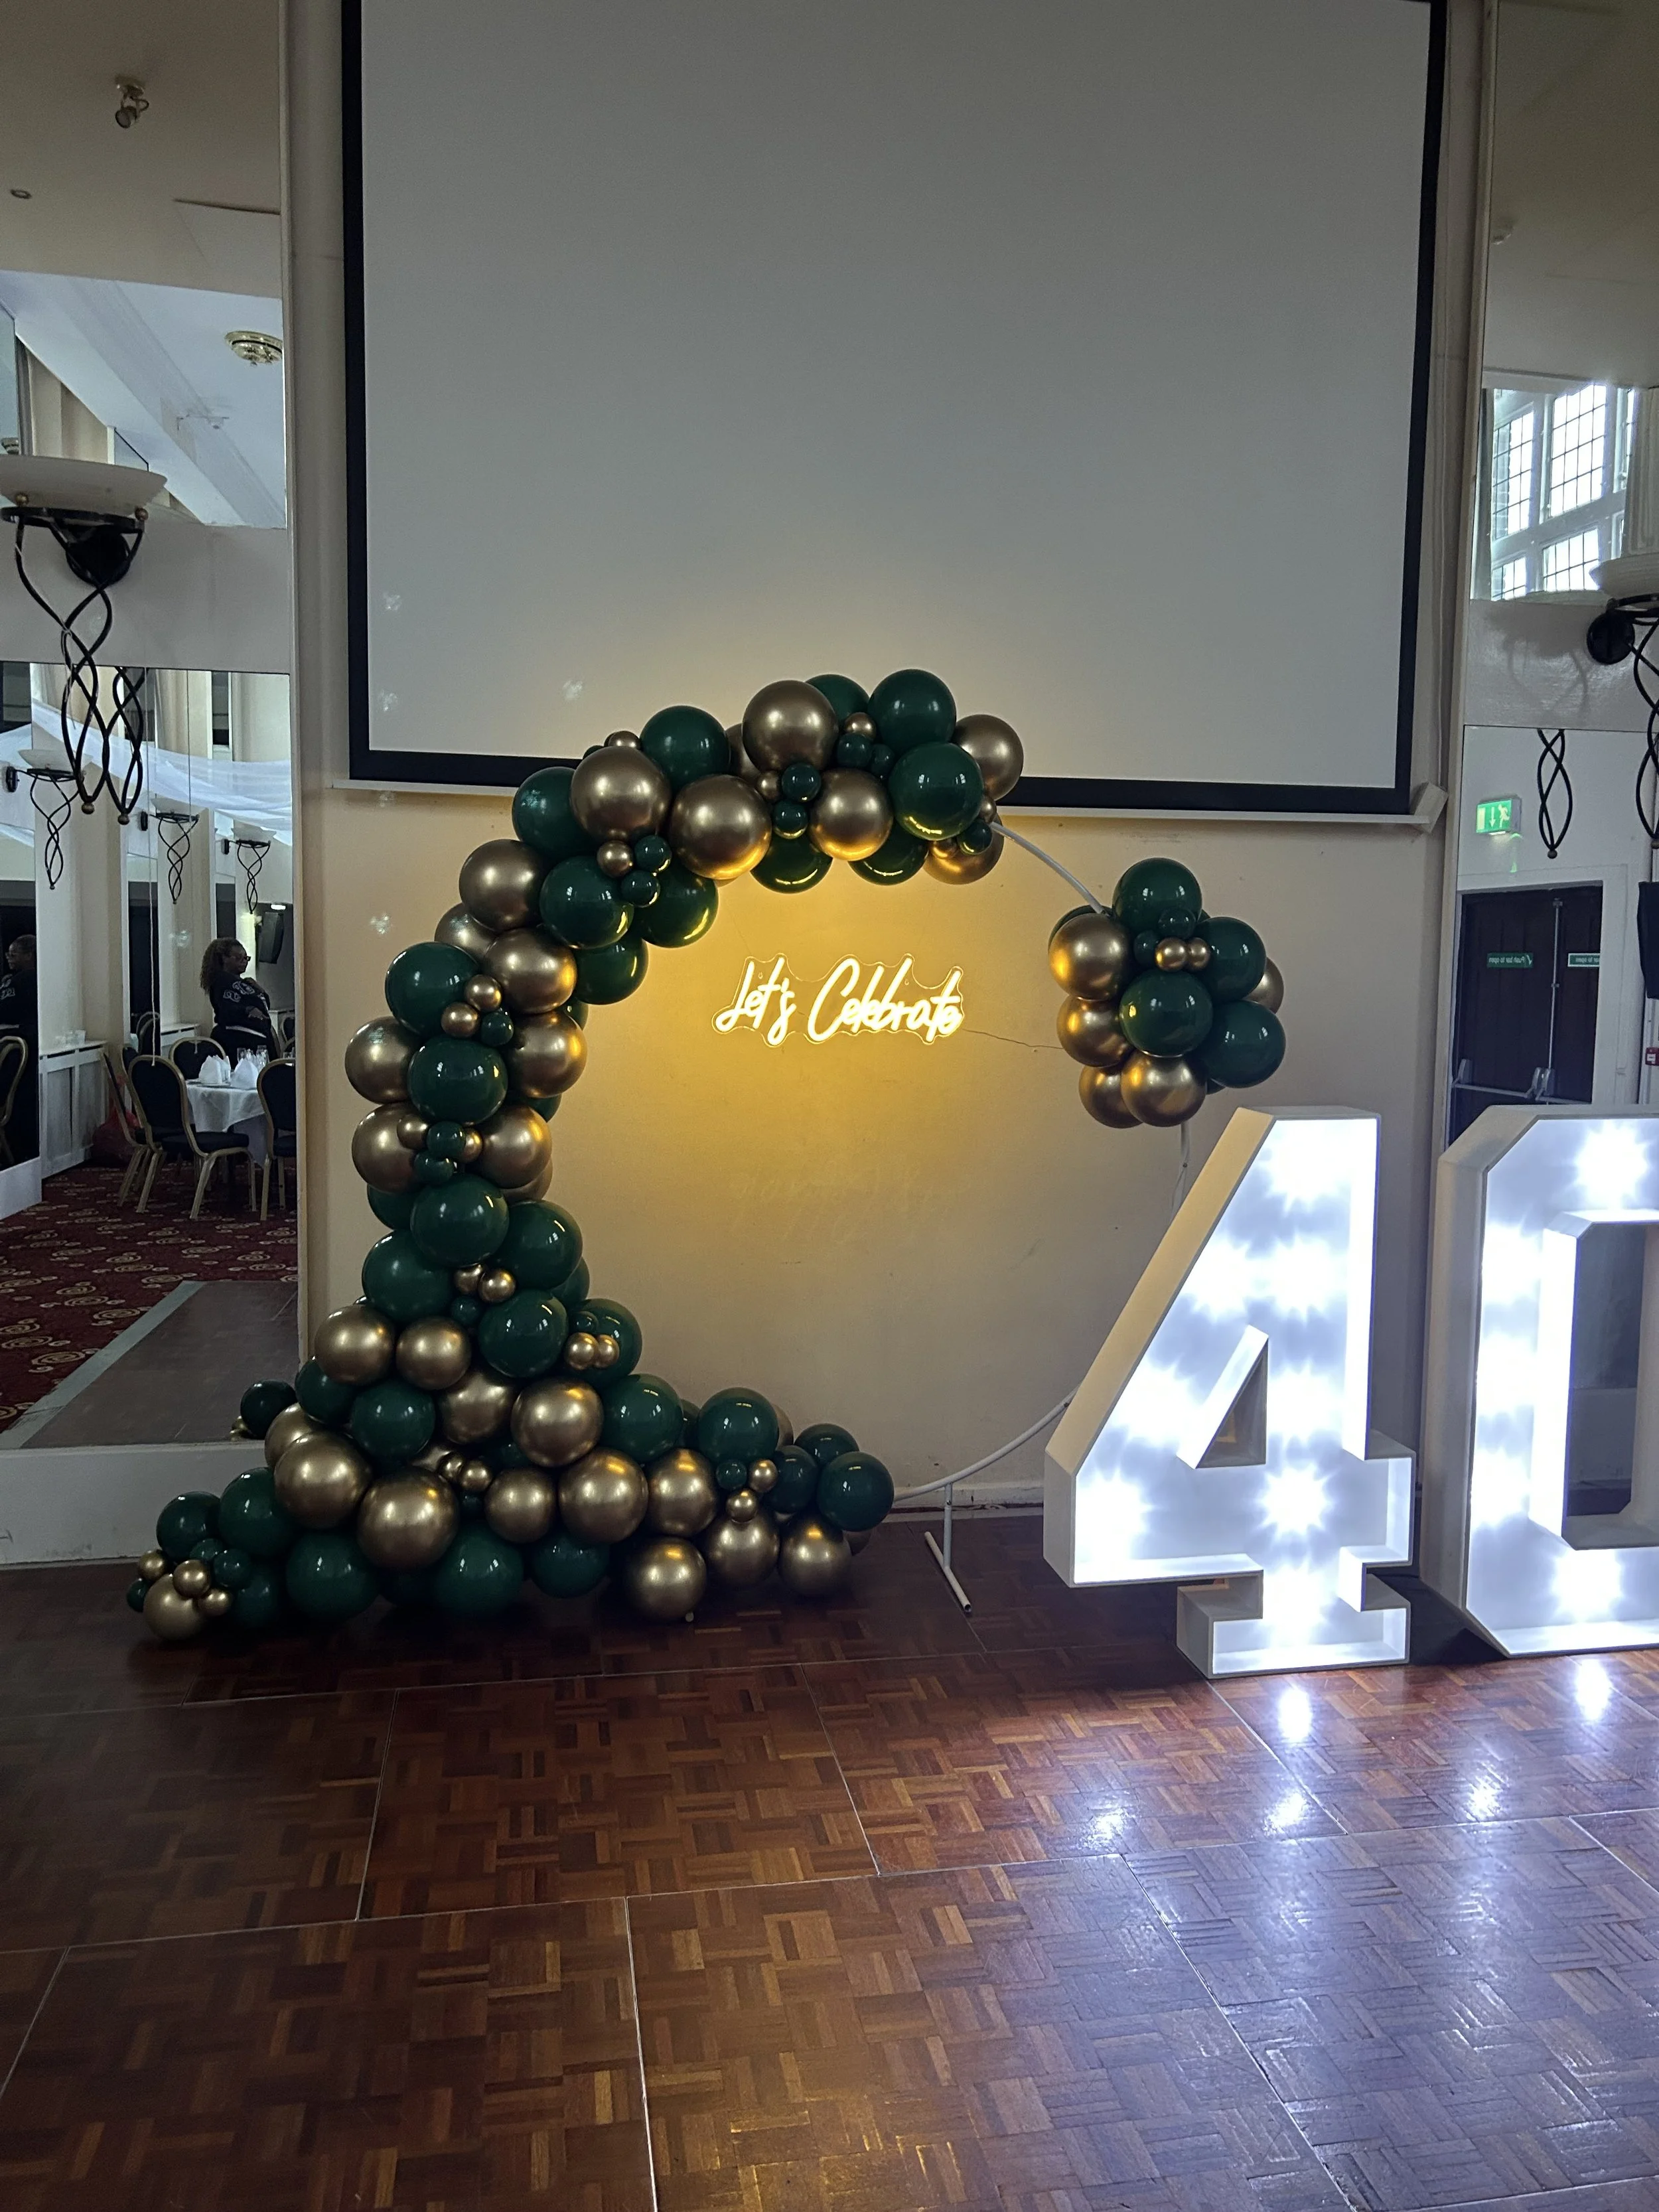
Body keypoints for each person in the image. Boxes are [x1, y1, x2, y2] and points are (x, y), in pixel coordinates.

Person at [200, 937, 279, 1059]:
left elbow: (264, 1006)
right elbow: (227, 1008)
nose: (244, 961)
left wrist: (260, 990)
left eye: (246, 958)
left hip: (260, 1038)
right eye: (238, 958)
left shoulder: (245, 982)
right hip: (239, 1041)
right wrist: (248, 1009)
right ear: (224, 958)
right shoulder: (221, 981)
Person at [0, 934, 37, 1161]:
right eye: (8, 954)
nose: (10, 959)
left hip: (20, 1043)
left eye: (14, 954)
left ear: (30, 955)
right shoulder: (8, 978)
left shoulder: (33, 980)